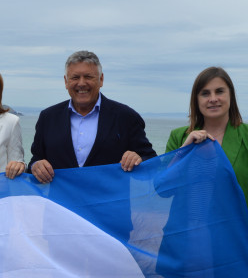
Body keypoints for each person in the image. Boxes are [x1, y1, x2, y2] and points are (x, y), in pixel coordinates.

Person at [166, 66, 248, 278]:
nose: (213, 99)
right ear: (196, 99)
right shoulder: (179, 136)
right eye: (205, 93)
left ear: (231, 96)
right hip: (188, 249)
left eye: (219, 91)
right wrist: (184, 149)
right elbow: (163, 189)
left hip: (237, 249)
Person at [28, 50, 156, 183]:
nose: (82, 83)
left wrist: (138, 158)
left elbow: (151, 161)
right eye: (75, 77)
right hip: (60, 203)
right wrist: (35, 166)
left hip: (110, 203)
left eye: (88, 77)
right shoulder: (48, 118)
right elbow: (36, 160)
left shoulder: (126, 117)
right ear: (66, 81)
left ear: (101, 80)